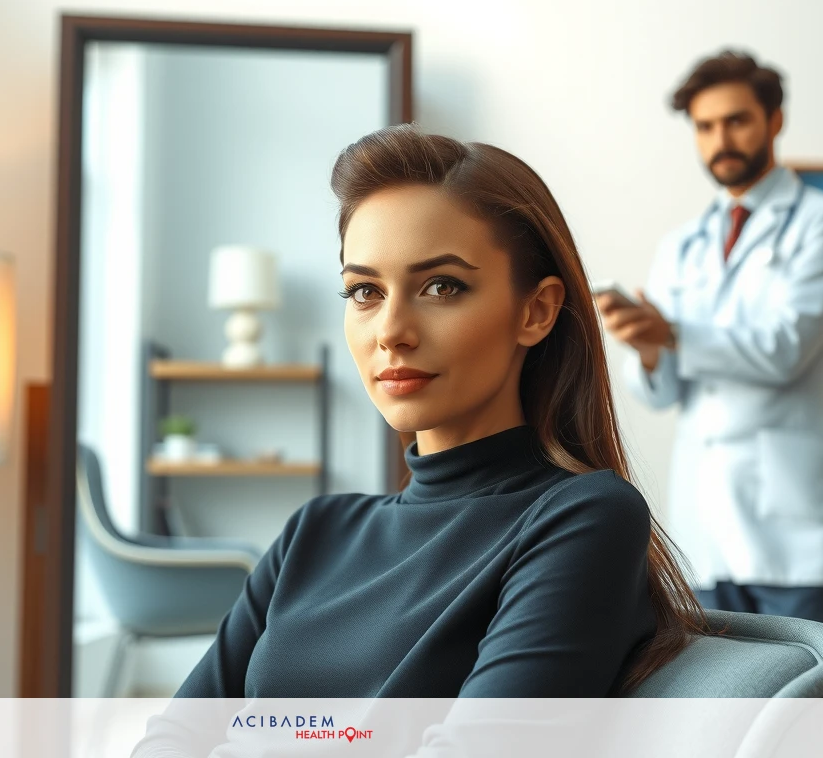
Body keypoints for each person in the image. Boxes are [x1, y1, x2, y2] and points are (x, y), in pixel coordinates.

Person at [137, 125, 705, 730]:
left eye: (440, 286)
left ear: (536, 310)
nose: (391, 331)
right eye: (364, 291)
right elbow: (176, 737)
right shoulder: (315, 532)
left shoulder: (582, 519)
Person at [597, 50, 823, 632]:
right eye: (704, 127)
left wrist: (672, 332)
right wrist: (646, 347)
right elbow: (662, 393)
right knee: (716, 691)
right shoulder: (682, 245)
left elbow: (784, 350)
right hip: (706, 531)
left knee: (807, 690)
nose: (720, 140)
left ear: (775, 120)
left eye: (736, 121)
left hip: (796, 536)